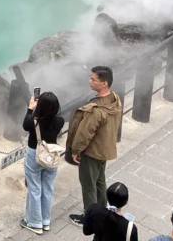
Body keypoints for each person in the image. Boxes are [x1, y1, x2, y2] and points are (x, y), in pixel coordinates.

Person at [67, 66, 122, 227]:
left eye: (93, 79)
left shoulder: (96, 111)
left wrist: (76, 151)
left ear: (104, 83)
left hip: (92, 152)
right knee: (100, 181)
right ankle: (102, 210)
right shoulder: (114, 100)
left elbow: (85, 134)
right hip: (105, 149)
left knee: (88, 185)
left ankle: (90, 218)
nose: (90, 81)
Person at [21, 91, 64, 234]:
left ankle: (34, 223)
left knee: (34, 188)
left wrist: (30, 108)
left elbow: (25, 124)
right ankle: (45, 221)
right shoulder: (60, 121)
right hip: (51, 156)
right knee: (48, 188)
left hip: (35, 155)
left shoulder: (33, 122)